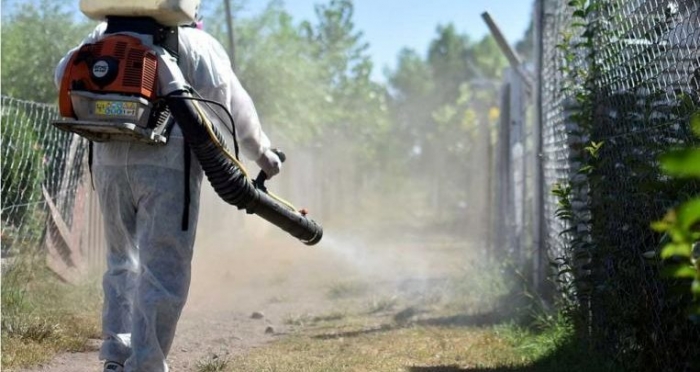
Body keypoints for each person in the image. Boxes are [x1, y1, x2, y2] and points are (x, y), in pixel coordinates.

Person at [54, 9, 282, 372]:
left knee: (120, 262)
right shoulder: (199, 44)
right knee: (162, 269)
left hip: (108, 160)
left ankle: (116, 356)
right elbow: (232, 110)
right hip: (166, 167)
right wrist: (264, 155)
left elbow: (63, 73)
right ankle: (145, 365)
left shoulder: (101, 32)